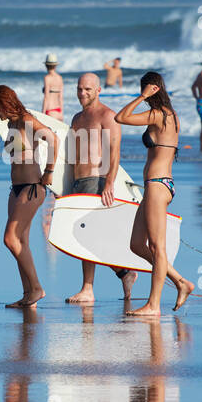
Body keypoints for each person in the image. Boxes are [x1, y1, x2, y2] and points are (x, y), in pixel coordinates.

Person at [115, 72, 194, 316]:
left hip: (158, 185)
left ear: (154, 89)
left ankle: (154, 305)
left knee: (158, 247)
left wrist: (140, 97)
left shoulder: (159, 114)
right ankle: (181, 282)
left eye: (148, 91)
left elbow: (121, 117)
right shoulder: (168, 115)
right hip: (157, 185)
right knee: (137, 245)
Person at [64, 74, 136, 304]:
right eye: (79, 89)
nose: (82, 93)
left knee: (87, 235)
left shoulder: (108, 116)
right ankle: (124, 273)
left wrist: (110, 183)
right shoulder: (76, 118)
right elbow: (71, 156)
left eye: (87, 89)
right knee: (88, 235)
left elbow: (115, 154)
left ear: (98, 90)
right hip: (79, 182)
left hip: (97, 180)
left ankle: (88, 288)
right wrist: (64, 187)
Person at [0, 84, 57, 308]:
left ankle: (36, 288)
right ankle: (28, 294)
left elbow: (53, 139)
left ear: (5, 104)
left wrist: (49, 171)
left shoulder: (27, 120)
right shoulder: (13, 124)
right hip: (16, 188)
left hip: (32, 187)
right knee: (21, 242)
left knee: (10, 239)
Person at [42, 53, 64, 119]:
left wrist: (42, 113)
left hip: (50, 110)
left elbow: (46, 97)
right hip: (59, 111)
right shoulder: (60, 78)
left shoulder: (47, 78)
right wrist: (61, 113)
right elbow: (61, 97)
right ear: (55, 66)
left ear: (46, 65)